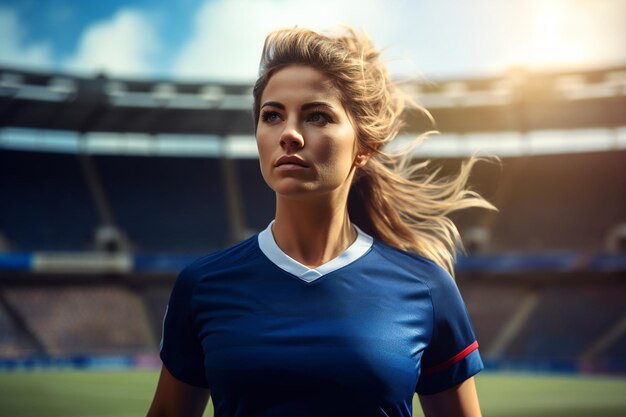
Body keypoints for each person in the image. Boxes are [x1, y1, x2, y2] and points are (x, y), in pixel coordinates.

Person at [147, 26, 497, 417]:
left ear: (364, 147)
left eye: (317, 116)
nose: (289, 135)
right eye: (272, 115)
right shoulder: (201, 286)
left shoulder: (428, 289)